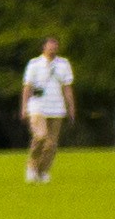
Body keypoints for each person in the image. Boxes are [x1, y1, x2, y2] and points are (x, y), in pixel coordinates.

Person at [21, 34, 76, 184]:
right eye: (50, 45)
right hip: (38, 106)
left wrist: (71, 106)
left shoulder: (63, 64)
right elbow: (27, 87)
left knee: (51, 144)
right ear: (44, 47)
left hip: (56, 107)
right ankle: (32, 166)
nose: (53, 48)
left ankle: (42, 171)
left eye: (55, 45)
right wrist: (24, 107)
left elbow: (67, 87)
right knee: (40, 136)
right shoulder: (34, 64)